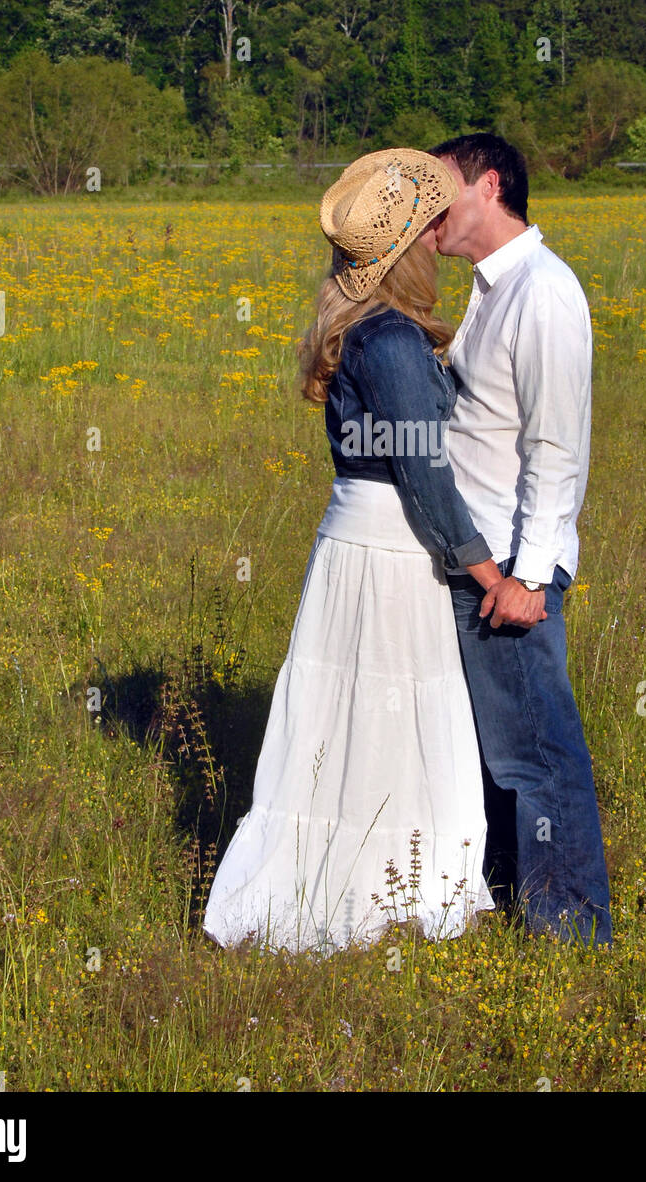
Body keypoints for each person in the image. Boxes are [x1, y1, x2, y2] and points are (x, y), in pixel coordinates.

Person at [203, 148, 507, 955]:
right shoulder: (391, 340)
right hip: (388, 546)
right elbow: (424, 474)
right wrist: (485, 570)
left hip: (359, 536)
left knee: (358, 712)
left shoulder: (367, 330)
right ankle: (383, 891)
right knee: (390, 709)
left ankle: (371, 877)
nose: (443, 234)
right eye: (430, 226)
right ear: (406, 248)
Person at [418, 132, 614, 946]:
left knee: (538, 754)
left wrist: (528, 579)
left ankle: (571, 932)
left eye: (442, 194)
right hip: (484, 561)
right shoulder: (489, 288)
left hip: (510, 568)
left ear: (489, 186)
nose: (428, 214)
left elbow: (556, 447)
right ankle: (514, 901)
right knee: (500, 753)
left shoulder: (542, 290)